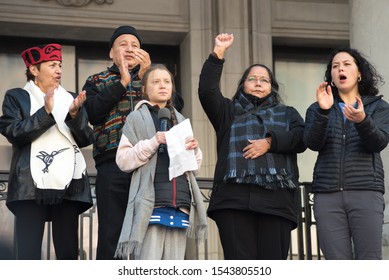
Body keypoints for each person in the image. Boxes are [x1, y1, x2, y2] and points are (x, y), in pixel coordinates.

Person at [198, 33, 306, 260]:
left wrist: (270, 142)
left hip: (276, 202)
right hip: (234, 201)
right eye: (252, 78)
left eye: (264, 80)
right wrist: (218, 52)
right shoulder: (227, 112)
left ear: (272, 87)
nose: (258, 83)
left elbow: (301, 138)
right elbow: (207, 92)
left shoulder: (288, 114)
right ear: (243, 84)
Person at [82, 25, 184, 259]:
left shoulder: (154, 80)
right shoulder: (97, 80)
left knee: (151, 233)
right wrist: (123, 82)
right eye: (123, 44)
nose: (130, 49)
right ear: (111, 53)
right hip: (112, 165)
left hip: (152, 165)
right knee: (112, 235)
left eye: (135, 45)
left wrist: (146, 75)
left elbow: (175, 108)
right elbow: (93, 113)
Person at [0, 43, 94, 259]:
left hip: (69, 183)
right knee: (28, 253)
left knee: (68, 252)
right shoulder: (17, 97)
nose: (59, 70)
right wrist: (46, 112)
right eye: (52, 65)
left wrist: (74, 115)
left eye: (59, 65)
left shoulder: (71, 98)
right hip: (29, 184)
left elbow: (86, 138)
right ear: (34, 69)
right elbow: (13, 131)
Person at [114, 64, 207, 260]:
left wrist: (194, 149)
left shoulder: (181, 120)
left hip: (180, 203)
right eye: (155, 82)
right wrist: (153, 142)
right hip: (151, 204)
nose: (162, 85)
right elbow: (123, 161)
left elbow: (194, 168)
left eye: (167, 81)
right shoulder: (136, 118)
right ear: (144, 89)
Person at [304, 47, 389, 260]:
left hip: (366, 192)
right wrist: (324, 112)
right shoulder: (317, 108)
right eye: (335, 66)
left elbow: (378, 142)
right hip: (327, 195)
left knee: (368, 262)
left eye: (346, 64)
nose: (340, 68)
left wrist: (362, 121)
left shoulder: (378, 107)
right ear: (331, 76)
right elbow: (312, 143)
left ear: (359, 73)